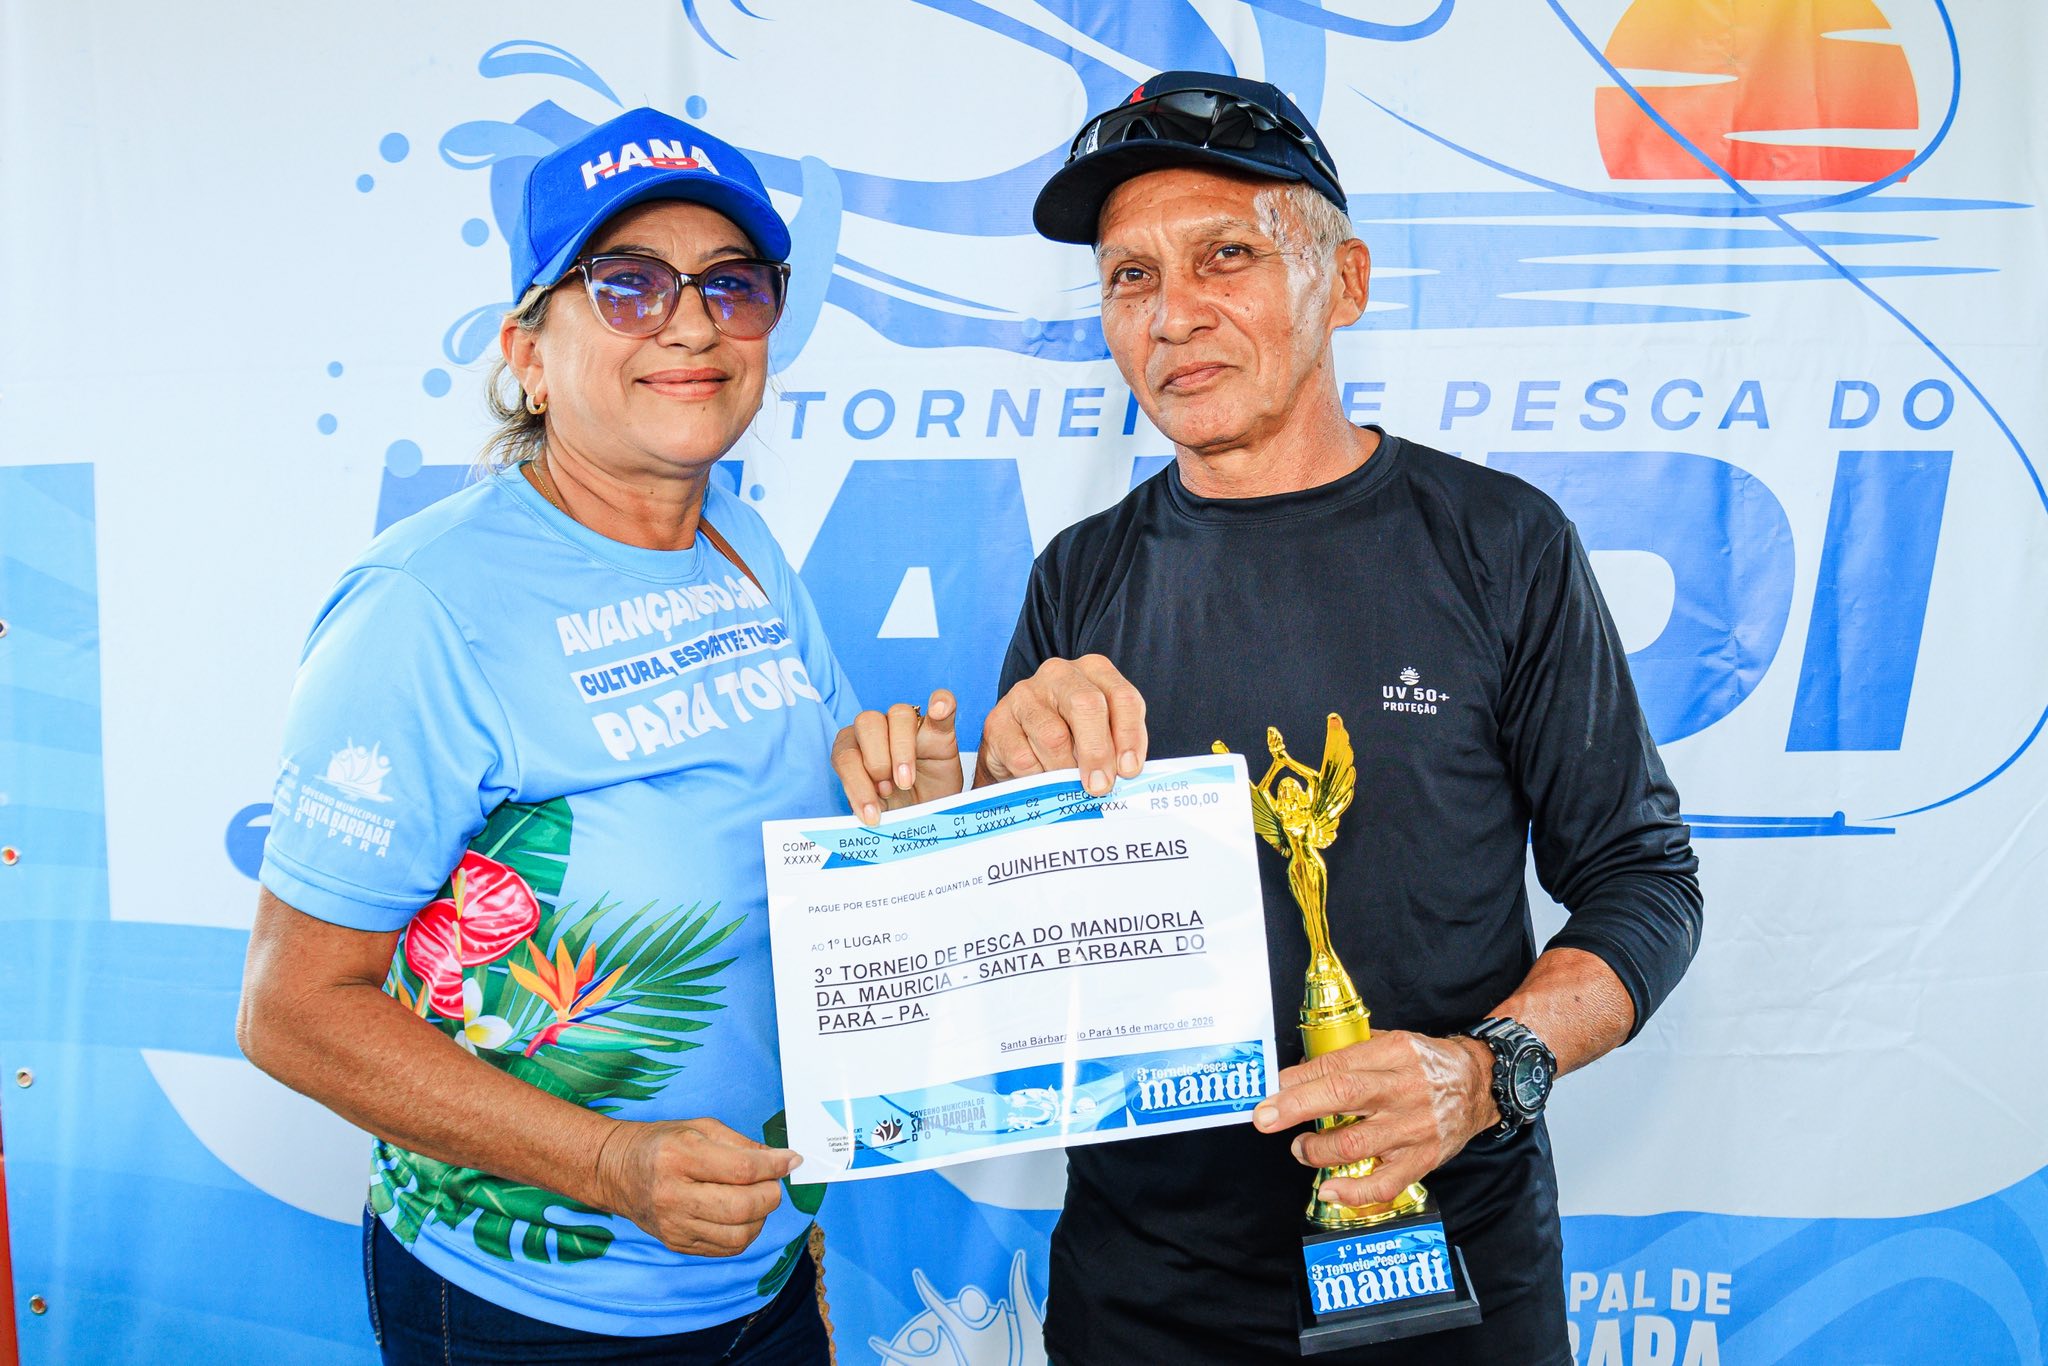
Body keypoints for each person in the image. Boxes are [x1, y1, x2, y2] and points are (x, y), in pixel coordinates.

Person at [957, 71, 1705, 1364]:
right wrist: (966, 811)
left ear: (1342, 281)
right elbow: (1017, 952)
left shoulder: (1500, 543)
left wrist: (1485, 1072)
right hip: (1144, 1297)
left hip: (1447, 1279)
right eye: (1130, 276)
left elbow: (1644, 882)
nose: (1173, 315)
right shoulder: (1076, 576)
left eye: (1225, 255)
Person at [237, 107, 959, 1364]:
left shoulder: (741, 543)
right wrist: (609, 1162)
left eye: (732, 285)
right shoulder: (425, 605)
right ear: (528, 352)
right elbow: (291, 1010)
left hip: (759, 1272)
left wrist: (906, 806)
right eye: (626, 285)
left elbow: (808, 850)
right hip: (534, 1314)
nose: (692, 324)